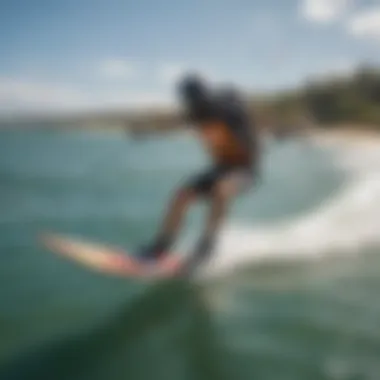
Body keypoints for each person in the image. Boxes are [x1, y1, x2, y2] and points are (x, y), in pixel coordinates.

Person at [138, 73, 260, 275]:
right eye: (190, 101)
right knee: (181, 196)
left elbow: (239, 112)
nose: (194, 105)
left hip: (244, 170)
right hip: (221, 168)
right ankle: (161, 247)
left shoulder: (227, 109)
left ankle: (207, 247)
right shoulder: (194, 114)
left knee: (222, 189)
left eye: (196, 100)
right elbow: (178, 122)